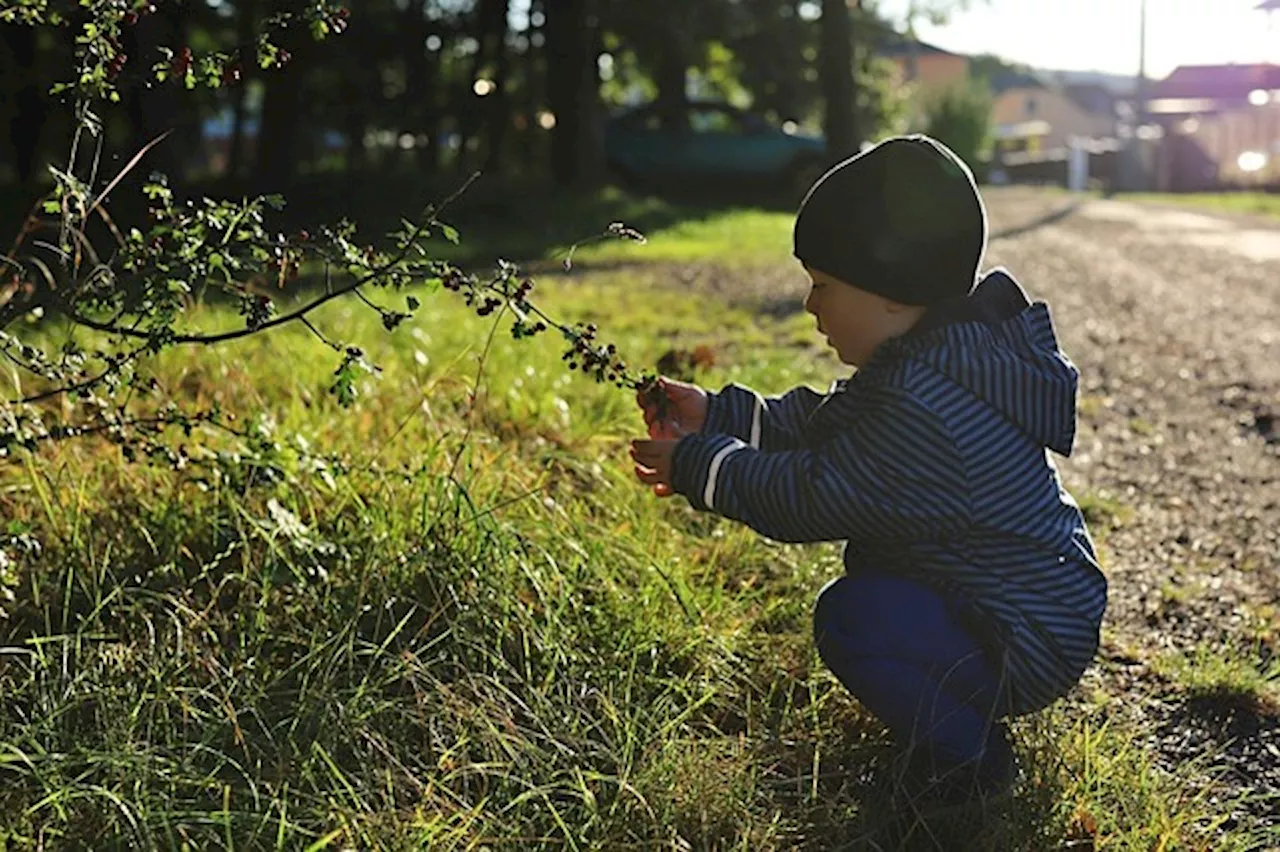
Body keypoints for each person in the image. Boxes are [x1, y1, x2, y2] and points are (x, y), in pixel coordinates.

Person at [629, 135, 1108, 801]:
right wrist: (717, 414)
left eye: (823, 285)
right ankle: (955, 714)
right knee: (877, 592)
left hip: (1021, 631)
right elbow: (823, 424)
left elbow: (811, 495)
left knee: (854, 617)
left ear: (891, 293)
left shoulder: (926, 408)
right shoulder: (930, 365)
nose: (810, 306)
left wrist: (702, 467)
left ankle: (971, 761)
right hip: (1021, 609)